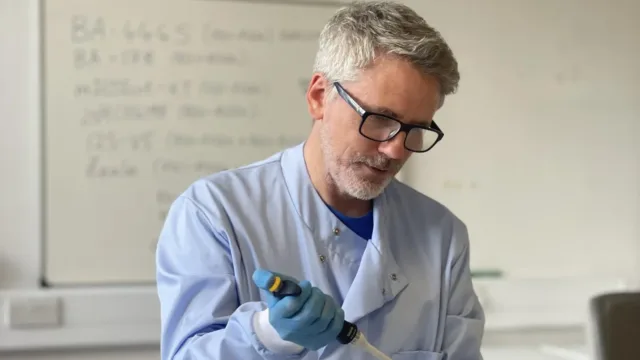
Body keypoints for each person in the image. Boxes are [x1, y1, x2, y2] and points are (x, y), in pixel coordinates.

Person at [155, 1, 485, 359]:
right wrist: (267, 335)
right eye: (378, 119)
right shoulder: (214, 215)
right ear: (318, 98)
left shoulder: (442, 237)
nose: (394, 150)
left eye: (414, 129)